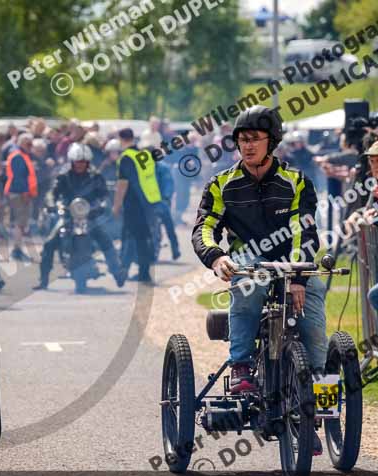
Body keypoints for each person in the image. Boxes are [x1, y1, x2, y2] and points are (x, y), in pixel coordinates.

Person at [192, 106, 326, 432]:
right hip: (249, 262)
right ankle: (240, 367)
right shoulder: (221, 184)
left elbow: (304, 232)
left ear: (273, 141)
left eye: (255, 139)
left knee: (314, 321)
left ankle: (322, 396)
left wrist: (297, 278)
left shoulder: (297, 183)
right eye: (242, 139)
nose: (247, 145)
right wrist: (216, 257)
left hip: (295, 262)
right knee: (248, 288)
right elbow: (204, 227)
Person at [35, 143, 126, 291]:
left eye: (83, 162)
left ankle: (117, 273)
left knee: (105, 240)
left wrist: (101, 206)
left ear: (88, 162)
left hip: (90, 216)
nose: (80, 165)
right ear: (72, 161)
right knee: (49, 243)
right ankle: (43, 280)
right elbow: (52, 192)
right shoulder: (63, 176)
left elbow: (104, 195)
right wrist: (52, 204)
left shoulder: (95, 176)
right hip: (68, 216)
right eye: (77, 162)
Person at [112, 128, 155, 284]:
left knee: (130, 237)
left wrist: (116, 205)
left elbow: (123, 184)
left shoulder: (126, 157)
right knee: (143, 238)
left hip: (133, 202)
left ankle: (123, 270)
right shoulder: (144, 155)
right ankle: (144, 272)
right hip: (148, 201)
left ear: (121, 139)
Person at [138, 131, 180, 261]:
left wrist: (166, 198)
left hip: (161, 201)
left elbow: (169, 185)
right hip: (145, 203)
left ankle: (175, 248)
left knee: (169, 224)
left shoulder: (163, 168)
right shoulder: (140, 168)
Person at [4, 133, 38, 261]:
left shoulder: (21, 155)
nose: (30, 146)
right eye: (28, 143)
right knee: (20, 222)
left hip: (20, 193)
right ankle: (16, 250)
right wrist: (25, 193)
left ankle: (17, 248)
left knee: (21, 223)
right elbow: (19, 177)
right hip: (19, 193)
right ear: (21, 143)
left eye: (31, 143)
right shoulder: (18, 156)